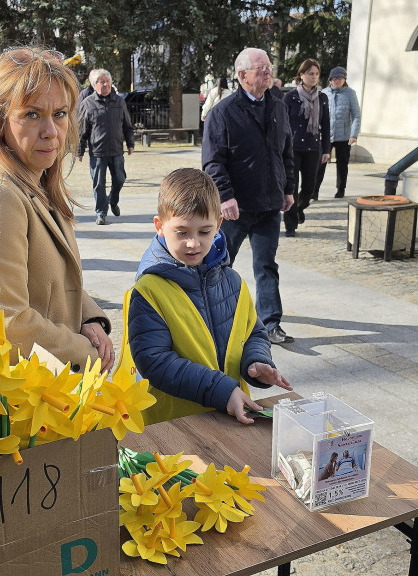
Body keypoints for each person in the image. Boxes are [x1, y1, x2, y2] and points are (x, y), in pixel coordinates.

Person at [0, 47, 113, 371]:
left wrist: (88, 318)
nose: (51, 131)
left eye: (59, 113)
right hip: (20, 400)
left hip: (49, 388)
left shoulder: (36, 181)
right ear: (0, 122)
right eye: (32, 114)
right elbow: (9, 325)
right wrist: (85, 351)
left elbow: (54, 282)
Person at [125, 168, 292, 425]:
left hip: (231, 413)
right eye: (182, 232)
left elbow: (254, 333)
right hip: (175, 425)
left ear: (218, 226)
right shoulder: (149, 290)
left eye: (204, 232)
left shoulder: (234, 282)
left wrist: (256, 362)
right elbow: (155, 362)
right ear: (160, 226)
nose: (193, 243)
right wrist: (220, 390)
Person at [202, 47, 297, 345]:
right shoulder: (223, 113)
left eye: (269, 67)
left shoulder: (278, 107)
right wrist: (226, 197)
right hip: (236, 208)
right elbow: (213, 161)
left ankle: (270, 323)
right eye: (261, 68)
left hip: (269, 204)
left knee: (266, 264)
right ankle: (213, 318)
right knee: (219, 264)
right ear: (243, 75)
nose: (268, 72)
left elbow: (286, 152)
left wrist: (289, 188)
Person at [77, 69, 135, 225]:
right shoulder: (87, 103)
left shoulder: (119, 101)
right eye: (101, 82)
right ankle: (101, 213)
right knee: (99, 184)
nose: (105, 84)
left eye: (108, 82)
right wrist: (79, 151)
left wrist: (130, 144)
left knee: (120, 179)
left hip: (116, 151)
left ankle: (113, 200)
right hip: (98, 152)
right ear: (95, 85)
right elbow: (81, 130)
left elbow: (128, 126)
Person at [282, 58, 331, 237]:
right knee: (291, 188)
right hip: (293, 148)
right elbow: (282, 124)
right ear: (301, 75)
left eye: (317, 74)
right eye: (310, 73)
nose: (314, 77)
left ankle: (299, 208)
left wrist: (326, 149)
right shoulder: (290, 97)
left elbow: (326, 125)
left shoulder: (322, 98)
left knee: (310, 188)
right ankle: (290, 225)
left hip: (313, 147)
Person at [316, 66, 361, 199]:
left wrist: (353, 134)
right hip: (325, 136)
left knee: (342, 165)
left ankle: (340, 189)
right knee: (320, 164)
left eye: (340, 78)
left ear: (344, 80)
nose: (337, 81)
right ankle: (314, 190)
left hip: (344, 136)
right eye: (335, 78)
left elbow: (356, 115)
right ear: (330, 80)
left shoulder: (350, 93)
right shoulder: (323, 93)